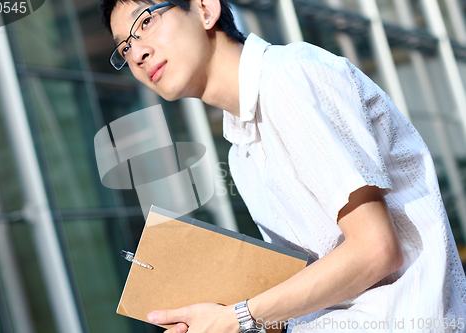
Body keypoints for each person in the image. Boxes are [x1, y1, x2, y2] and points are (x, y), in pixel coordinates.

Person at [100, 0, 466, 332]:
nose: (137, 53)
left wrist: (238, 318)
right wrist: (225, 316)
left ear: (205, 9)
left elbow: (376, 250)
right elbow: (310, 289)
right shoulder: (240, 151)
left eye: (145, 22)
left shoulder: (289, 79)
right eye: (124, 47)